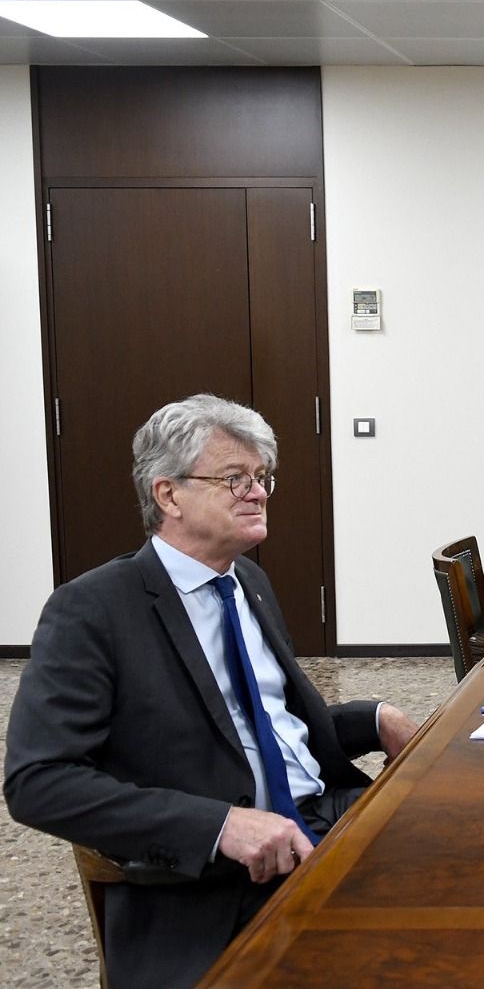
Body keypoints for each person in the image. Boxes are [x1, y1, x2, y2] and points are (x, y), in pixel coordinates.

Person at [4, 395, 420, 988]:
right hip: (217, 881)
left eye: (261, 477)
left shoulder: (246, 580)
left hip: (324, 818)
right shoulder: (92, 610)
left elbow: (255, 724)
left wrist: (374, 717)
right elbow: (37, 782)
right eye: (235, 479)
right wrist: (220, 826)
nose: (258, 492)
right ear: (167, 494)